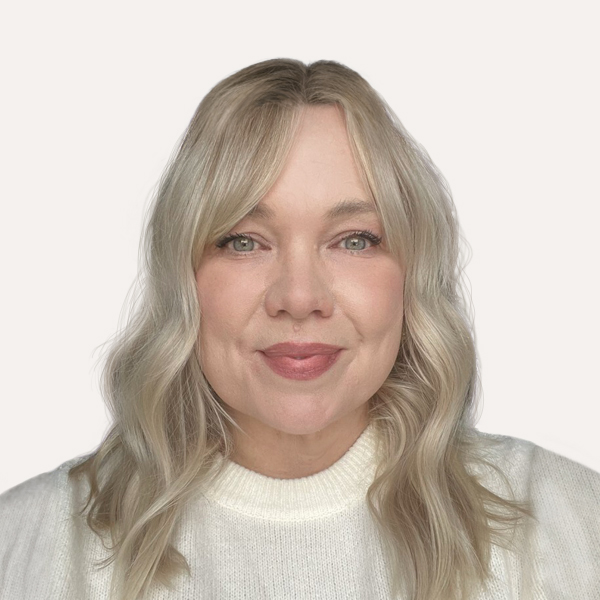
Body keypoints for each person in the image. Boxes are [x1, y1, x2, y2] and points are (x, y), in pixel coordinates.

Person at [0, 58, 599, 600]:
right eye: (243, 241)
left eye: (355, 240)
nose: (299, 297)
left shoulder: (565, 522)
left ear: (411, 274)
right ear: (184, 275)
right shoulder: (32, 541)